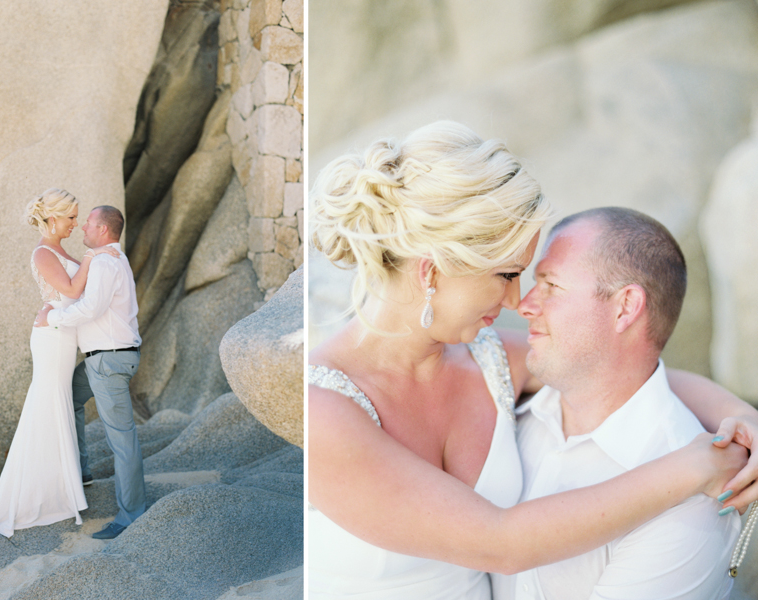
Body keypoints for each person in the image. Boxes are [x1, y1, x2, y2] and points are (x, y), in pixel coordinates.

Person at [307, 121, 758, 599]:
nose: (514, 301)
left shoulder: (487, 359)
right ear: (432, 272)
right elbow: (499, 543)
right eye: (506, 275)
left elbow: (613, 368)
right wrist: (693, 467)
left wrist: (742, 417)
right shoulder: (325, 413)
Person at [491, 207, 740, 599]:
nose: (524, 305)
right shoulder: (504, 400)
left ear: (625, 307)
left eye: (551, 286)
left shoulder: (695, 504)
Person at [0, 188, 119, 537]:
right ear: (53, 219)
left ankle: (60, 489)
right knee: (48, 403)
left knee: (58, 404)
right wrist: (91, 259)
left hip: (63, 335)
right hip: (51, 338)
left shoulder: (61, 250)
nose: (76, 224)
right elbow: (69, 291)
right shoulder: (42, 253)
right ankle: (37, 495)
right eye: (70, 218)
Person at [34, 205, 145, 541]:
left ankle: (130, 516)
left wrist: (50, 319)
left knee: (122, 439)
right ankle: (81, 470)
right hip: (106, 359)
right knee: (68, 394)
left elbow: (90, 307)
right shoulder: (112, 259)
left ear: (103, 230)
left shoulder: (106, 262)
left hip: (108, 361)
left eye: (89, 222)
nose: (82, 225)